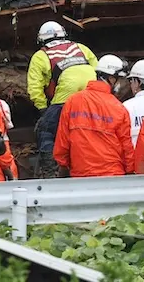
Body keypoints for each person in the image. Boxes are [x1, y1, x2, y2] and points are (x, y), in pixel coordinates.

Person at [27, 21, 96, 176]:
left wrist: (43, 109)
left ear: (41, 39)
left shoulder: (40, 56)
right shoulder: (81, 48)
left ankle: (51, 171)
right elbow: (98, 70)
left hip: (64, 98)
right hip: (92, 95)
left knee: (45, 130)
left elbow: (35, 87)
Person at [54, 55, 133, 178]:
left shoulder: (73, 101)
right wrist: (130, 170)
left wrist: (63, 165)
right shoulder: (118, 108)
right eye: (119, 80)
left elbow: (62, 139)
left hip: (81, 174)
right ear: (112, 79)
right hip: (113, 175)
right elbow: (126, 146)